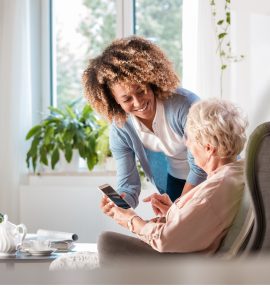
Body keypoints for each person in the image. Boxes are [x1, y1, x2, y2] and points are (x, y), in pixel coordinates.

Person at [99, 99, 248, 257]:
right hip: (190, 249)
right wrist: (173, 212)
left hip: (187, 261)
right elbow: (204, 222)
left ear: (209, 148)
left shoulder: (216, 188)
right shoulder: (234, 174)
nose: (187, 143)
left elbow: (165, 239)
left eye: (189, 138)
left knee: (107, 242)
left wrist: (131, 220)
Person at [83, 36, 206, 207]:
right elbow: (129, 184)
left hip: (210, 177)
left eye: (141, 91)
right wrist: (120, 204)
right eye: (127, 99)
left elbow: (201, 165)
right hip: (176, 181)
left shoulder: (184, 105)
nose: (138, 102)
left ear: (150, 81)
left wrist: (177, 209)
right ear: (114, 101)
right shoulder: (121, 128)